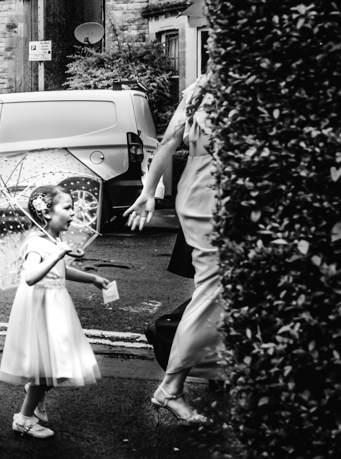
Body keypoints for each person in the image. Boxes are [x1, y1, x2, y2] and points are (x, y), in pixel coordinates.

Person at [124, 72, 220, 425]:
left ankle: (178, 380)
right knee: (215, 289)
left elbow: (168, 142)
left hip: (206, 189)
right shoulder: (206, 89)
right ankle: (170, 386)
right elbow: (169, 141)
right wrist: (147, 192)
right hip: (207, 196)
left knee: (219, 291)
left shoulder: (204, 87)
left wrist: (150, 191)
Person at [0, 185, 112, 439]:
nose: (74, 212)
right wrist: (58, 253)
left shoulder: (54, 241)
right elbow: (30, 276)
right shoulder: (36, 243)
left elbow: (61, 270)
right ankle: (24, 419)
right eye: (68, 207)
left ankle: (34, 391)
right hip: (41, 306)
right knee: (49, 367)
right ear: (47, 213)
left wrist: (91, 277)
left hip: (56, 304)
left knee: (58, 364)